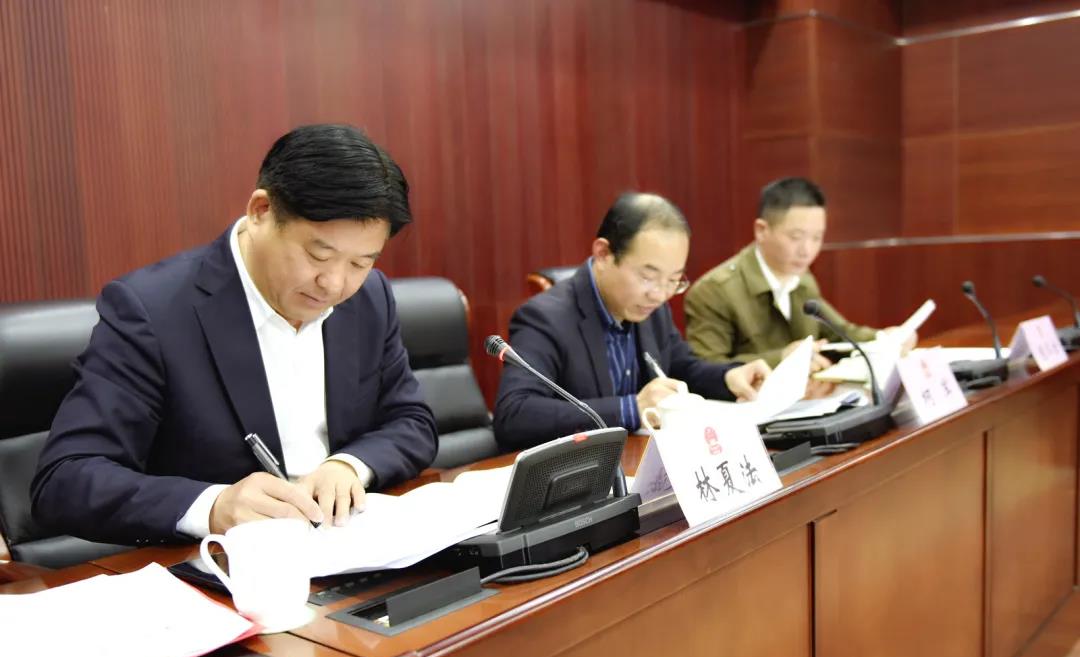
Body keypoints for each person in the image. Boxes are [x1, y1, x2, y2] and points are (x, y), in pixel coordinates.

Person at [32, 124, 438, 546]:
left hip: (345, 550)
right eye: (318, 255)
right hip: (217, 564)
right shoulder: (152, 311)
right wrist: (214, 506)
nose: (334, 284)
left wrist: (349, 465)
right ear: (261, 210)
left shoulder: (369, 297)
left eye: (360, 263)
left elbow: (412, 422)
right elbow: (65, 479)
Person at [493, 192, 770, 450]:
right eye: (648, 277)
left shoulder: (651, 308)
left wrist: (728, 377)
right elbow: (514, 415)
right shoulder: (545, 318)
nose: (660, 294)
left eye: (673, 280)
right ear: (603, 254)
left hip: (638, 463)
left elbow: (681, 368)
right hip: (580, 473)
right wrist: (631, 409)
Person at [685, 177, 915, 373]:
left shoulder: (802, 278)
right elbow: (705, 369)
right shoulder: (714, 291)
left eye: (816, 238)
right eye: (796, 237)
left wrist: (884, 338)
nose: (807, 250)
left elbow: (838, 333)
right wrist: (782, 358)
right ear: (761, 230)